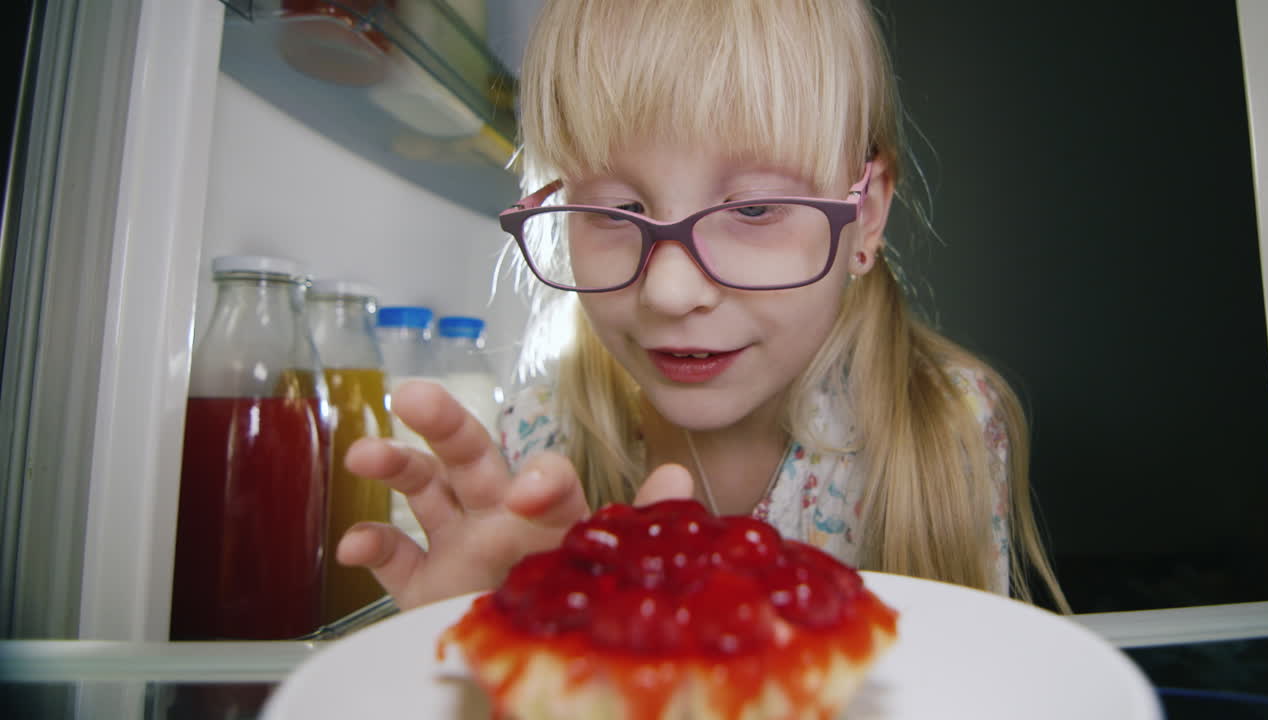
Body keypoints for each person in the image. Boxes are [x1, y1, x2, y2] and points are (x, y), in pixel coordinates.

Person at [337, 0, 1069, 613]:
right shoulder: (535, 446)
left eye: (754, 209)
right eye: (618, 211)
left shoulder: (944, 432)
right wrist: (466, 648)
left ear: (866, 217)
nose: (670, 291)